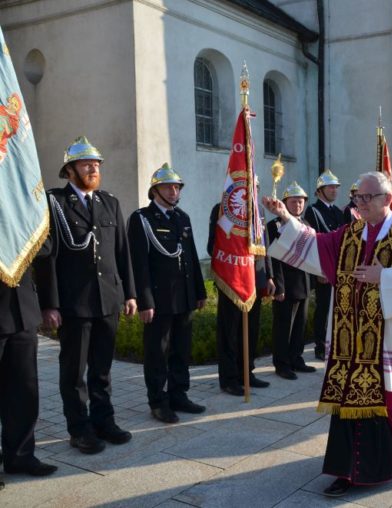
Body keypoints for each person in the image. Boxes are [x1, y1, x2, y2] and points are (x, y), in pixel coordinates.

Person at [263, 171, 392, 496]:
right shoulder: (350, 233)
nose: (359, 203)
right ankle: (349, 468)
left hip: (386, 337)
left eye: (366, 197)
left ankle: (364, 468)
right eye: (357, 197)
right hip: (349, 339)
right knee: (350, 399)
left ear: (386, 199)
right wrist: (284, 217)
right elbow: (315, 245)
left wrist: (386, 277)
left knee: (386, 399)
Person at [37, 136, 136, 454]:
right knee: (74, 371)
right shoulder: (54, 203)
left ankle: (104, 421)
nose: (93, 168)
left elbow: (123, 252)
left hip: (108, 300)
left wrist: (130, 294)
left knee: (102, 368)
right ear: (69, 170)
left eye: (96, 164)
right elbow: (47, 258)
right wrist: (50, 303)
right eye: (86, 164)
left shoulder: (110, 202)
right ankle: (79, 429)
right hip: (74, 303)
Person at [127, 164, 207, 423]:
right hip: (159, 300)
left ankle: (178, 395)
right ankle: (158, 401)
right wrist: (144, 300)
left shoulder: (182, 217)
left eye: (177, 187)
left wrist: (199, 290)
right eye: (168, 187)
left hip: (183, 296)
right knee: (157, 353)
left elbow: (192, 257)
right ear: (155, 190)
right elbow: (139, 263)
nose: (174, 191)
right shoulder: (142, 219)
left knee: (181, 350)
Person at [1, 239, 58, 479]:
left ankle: (20, 456)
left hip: (22, 308)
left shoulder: (23, 202)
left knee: (25, 389)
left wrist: (49, 304)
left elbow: (45, 250)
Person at [207, 190, 273, 396]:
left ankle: (247, 372)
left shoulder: (259, 210)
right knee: (230, 331)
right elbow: (213, 245)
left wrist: (268, 275)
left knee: (251, 329)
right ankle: (229, 378)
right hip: (233, 277)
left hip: (255, 279)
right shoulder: (222, 210)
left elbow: (264, 245)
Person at [266, 182, 316, 380]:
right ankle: (282, 363)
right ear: (285, 203)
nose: (298, 205)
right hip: (285, 284)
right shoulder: (274, 226)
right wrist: (278, 285)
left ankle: (296, 358)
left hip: (303, 282)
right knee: (283, 326)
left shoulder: (306, 224)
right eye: (293, 201)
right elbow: (273, 256)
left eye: (301, 201)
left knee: (300, 325)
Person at [304, 169, 345, 360]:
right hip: (323, 268)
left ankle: (334, 342)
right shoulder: (313, 211)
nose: (334, 190)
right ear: (320, 190)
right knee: (323, 308)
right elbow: (314, 242)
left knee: (337, 307)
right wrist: (320, 270)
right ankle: (320, 346)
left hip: (340, 267)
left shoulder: (338, 212)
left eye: (336, 187)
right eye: (330, 187)